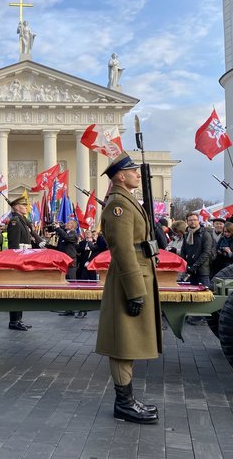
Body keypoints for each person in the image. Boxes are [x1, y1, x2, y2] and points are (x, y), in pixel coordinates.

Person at [95, 151, 161, 424]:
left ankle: (128, 400)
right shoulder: (118, 205)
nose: (137, 174)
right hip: (129, 278)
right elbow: (122, 249)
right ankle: (124, 403)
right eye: (133, 171)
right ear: (121, 176)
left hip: (138, 274)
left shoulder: (128, 201)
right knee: (123, 342)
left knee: (130, 340)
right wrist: (135, 289)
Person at [6, 195, 45, 330]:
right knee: (16, 291)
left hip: (24, 258)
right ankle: (13, 321)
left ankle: (19, 319)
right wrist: (16, 262)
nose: (26, 207)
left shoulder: (22, 220)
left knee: (21, 290)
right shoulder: (14, 221)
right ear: (17, 207)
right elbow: (14, 245)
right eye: (23, 205)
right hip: (18, 260)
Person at [181, 212, 214, 287]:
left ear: (198, 221)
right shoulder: (186, 234)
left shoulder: (205, 234)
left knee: (205, 293)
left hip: (202, 270)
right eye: (190, 220)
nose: (193, 222)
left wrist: (195, 266)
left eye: (195, 220)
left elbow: (206, 252)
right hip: (190, 270)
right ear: (187, 222)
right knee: (192, 293)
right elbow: (183, 250)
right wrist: (186, 265)